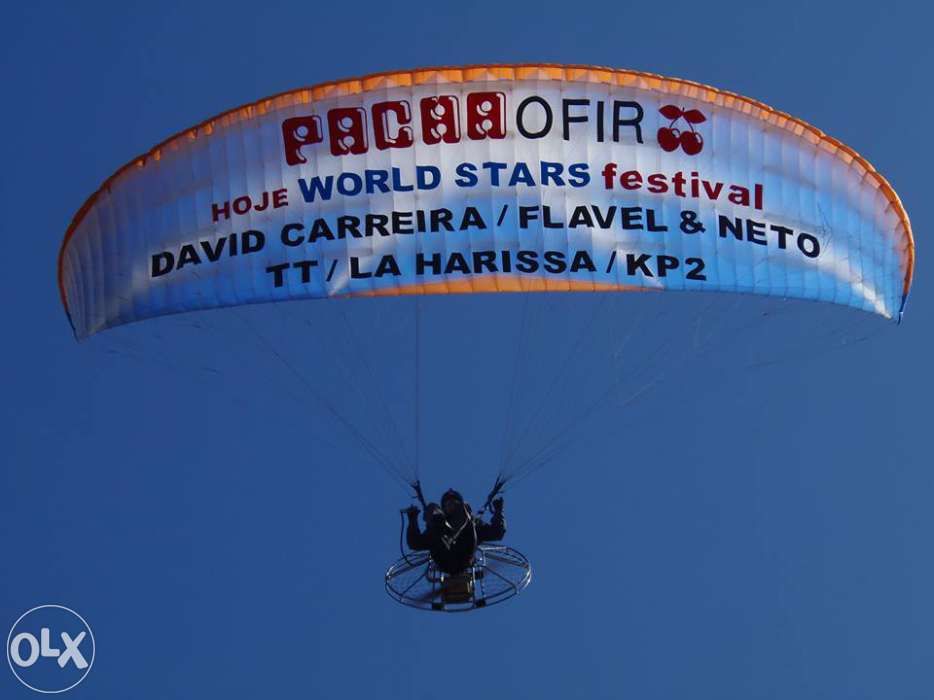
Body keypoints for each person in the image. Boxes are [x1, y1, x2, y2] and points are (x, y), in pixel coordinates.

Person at [405, 489, 505, 575]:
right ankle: (447, 535)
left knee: (465, 523)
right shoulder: (437, 525)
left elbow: (497, 532)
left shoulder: (474, 524)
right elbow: (415, 542)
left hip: (464, 555)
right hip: (444, 558)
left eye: (454, 503)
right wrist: (412, 519)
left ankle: (457, 529)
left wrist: (498, 512)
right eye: (448, 504)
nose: (451, 505)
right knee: (433, 509)